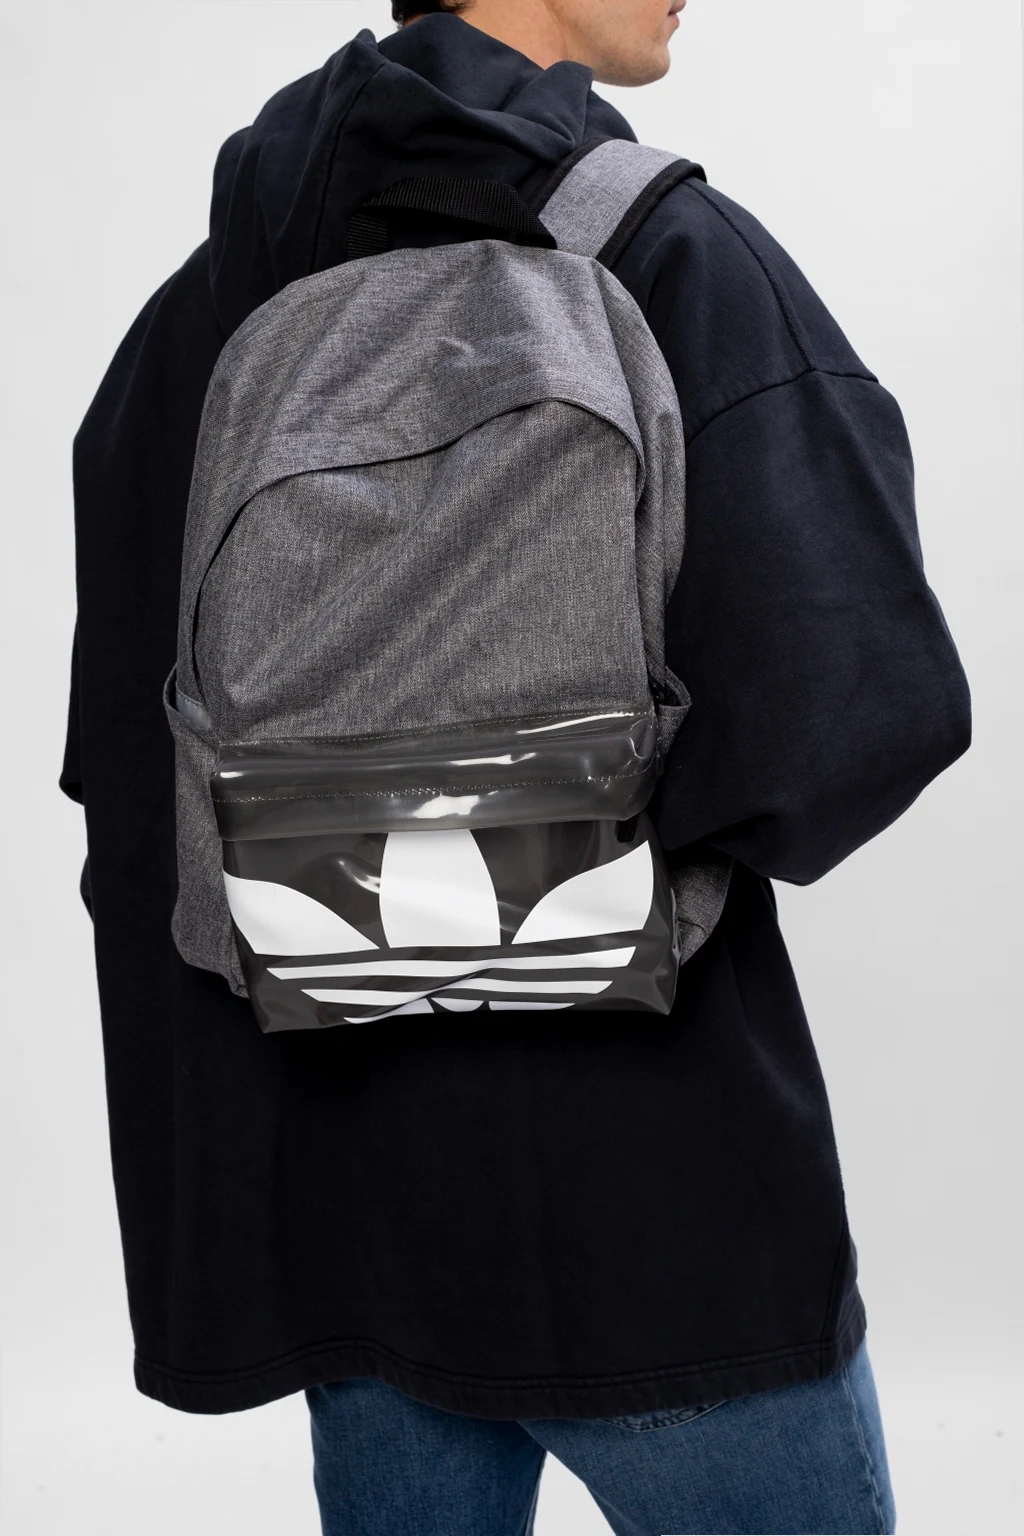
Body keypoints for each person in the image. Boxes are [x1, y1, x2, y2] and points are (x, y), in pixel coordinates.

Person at [61, 0, 971, 1531]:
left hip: (344, 1232)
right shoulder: (672, 259)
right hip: (664, 1223)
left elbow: (125, 775)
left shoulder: (202, 313)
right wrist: (574, 865)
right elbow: (855, 708)